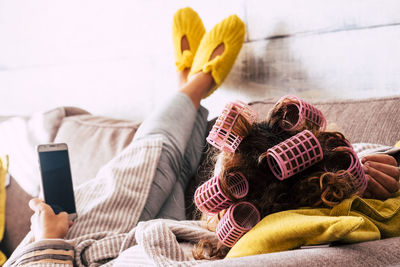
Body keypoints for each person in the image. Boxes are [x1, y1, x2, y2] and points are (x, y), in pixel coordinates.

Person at [5, 7, 400, 267]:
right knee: (148, 163)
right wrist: (46, 240)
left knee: (149, 165)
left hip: (111, 242)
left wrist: (44, 240)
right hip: (90, 245)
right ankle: (198, 81)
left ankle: (189, 84)